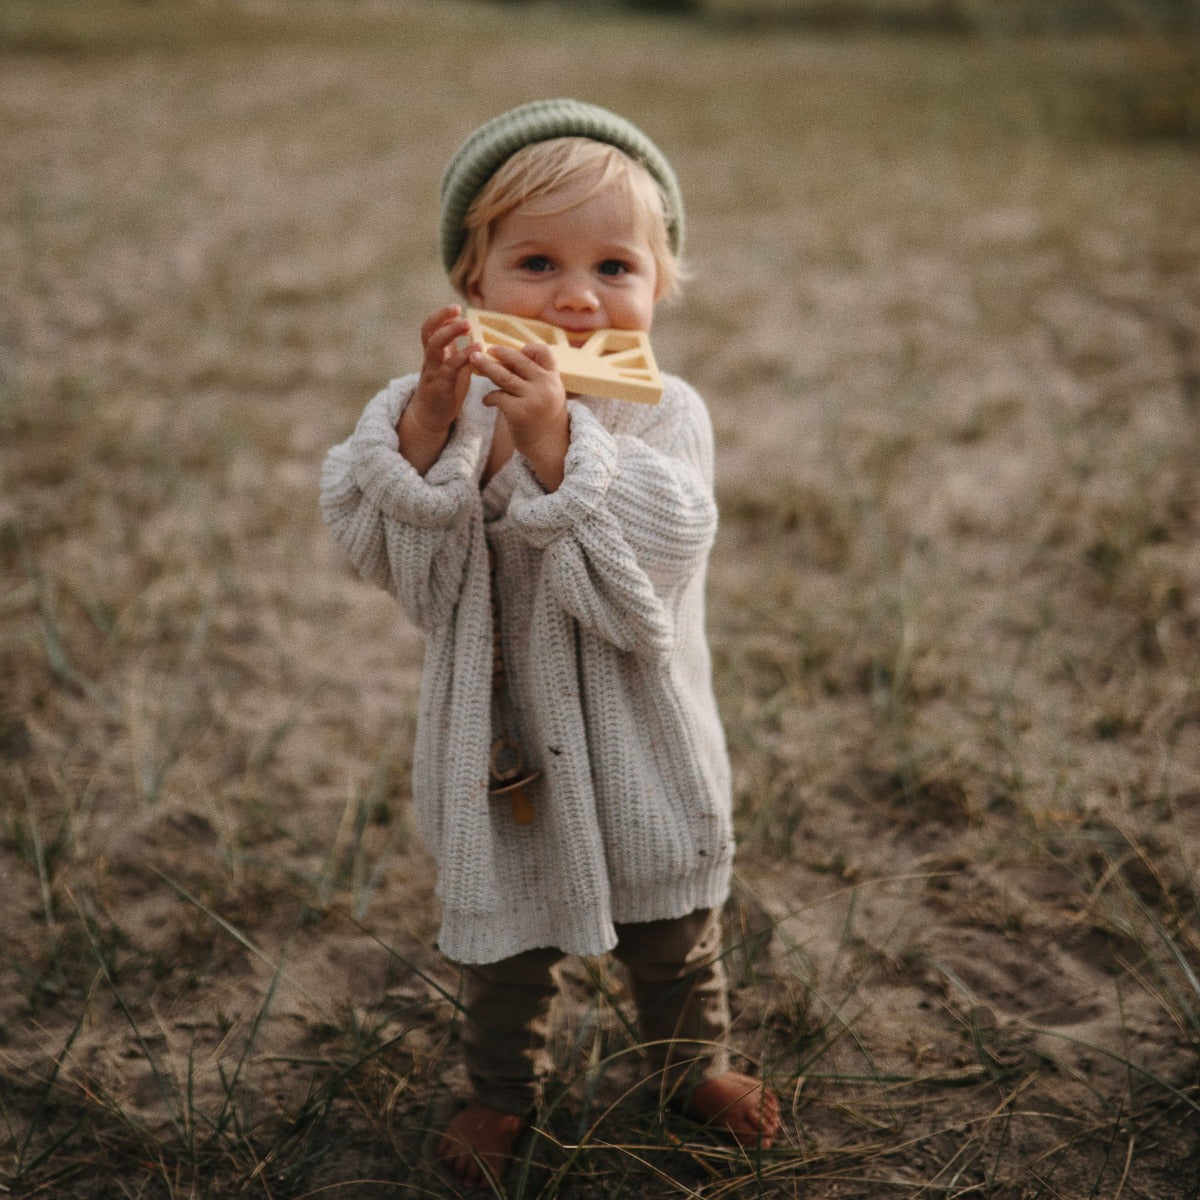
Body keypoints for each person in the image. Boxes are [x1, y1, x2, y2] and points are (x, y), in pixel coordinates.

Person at [320, 98, 779, 1189]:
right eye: (536, 262)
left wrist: (560, 445)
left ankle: (688, 1061)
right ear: (471, 285)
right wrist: (430, 435)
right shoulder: (435, 406)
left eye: (615, 267)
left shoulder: (669, 412)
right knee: (506, 941)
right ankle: (500, 1087)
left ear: (661, 287)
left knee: (673, 919)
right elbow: (386, 557)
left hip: (638, 729)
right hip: (503, 737)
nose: (577, 295)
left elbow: (650, 577)